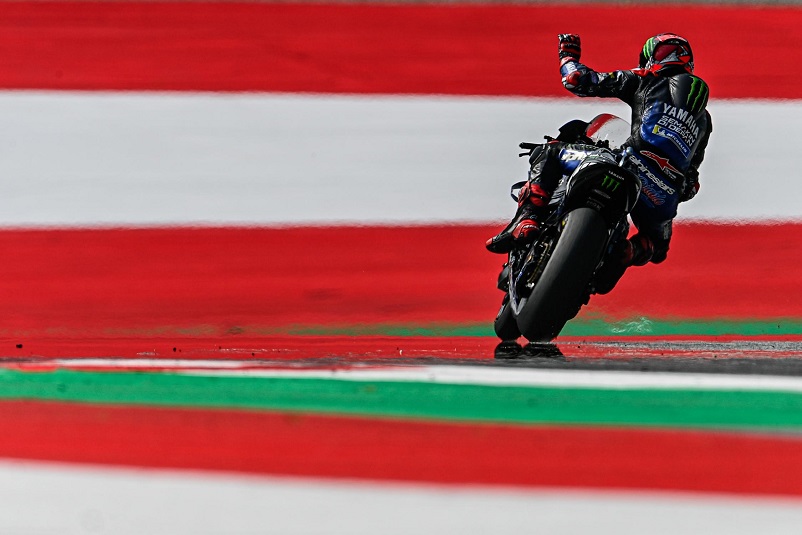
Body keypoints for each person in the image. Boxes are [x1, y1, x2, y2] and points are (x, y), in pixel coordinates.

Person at [486, 33, 712, 290]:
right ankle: (624, 254)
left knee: (549, 153)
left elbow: (577, 80)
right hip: (662, 196)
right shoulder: (704, 121)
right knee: (657, 247)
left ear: (651, 57)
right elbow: (691, 184)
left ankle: (528, 218)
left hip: (629, 163)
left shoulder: (646, 79)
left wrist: (567, 56)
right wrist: (671, 187)